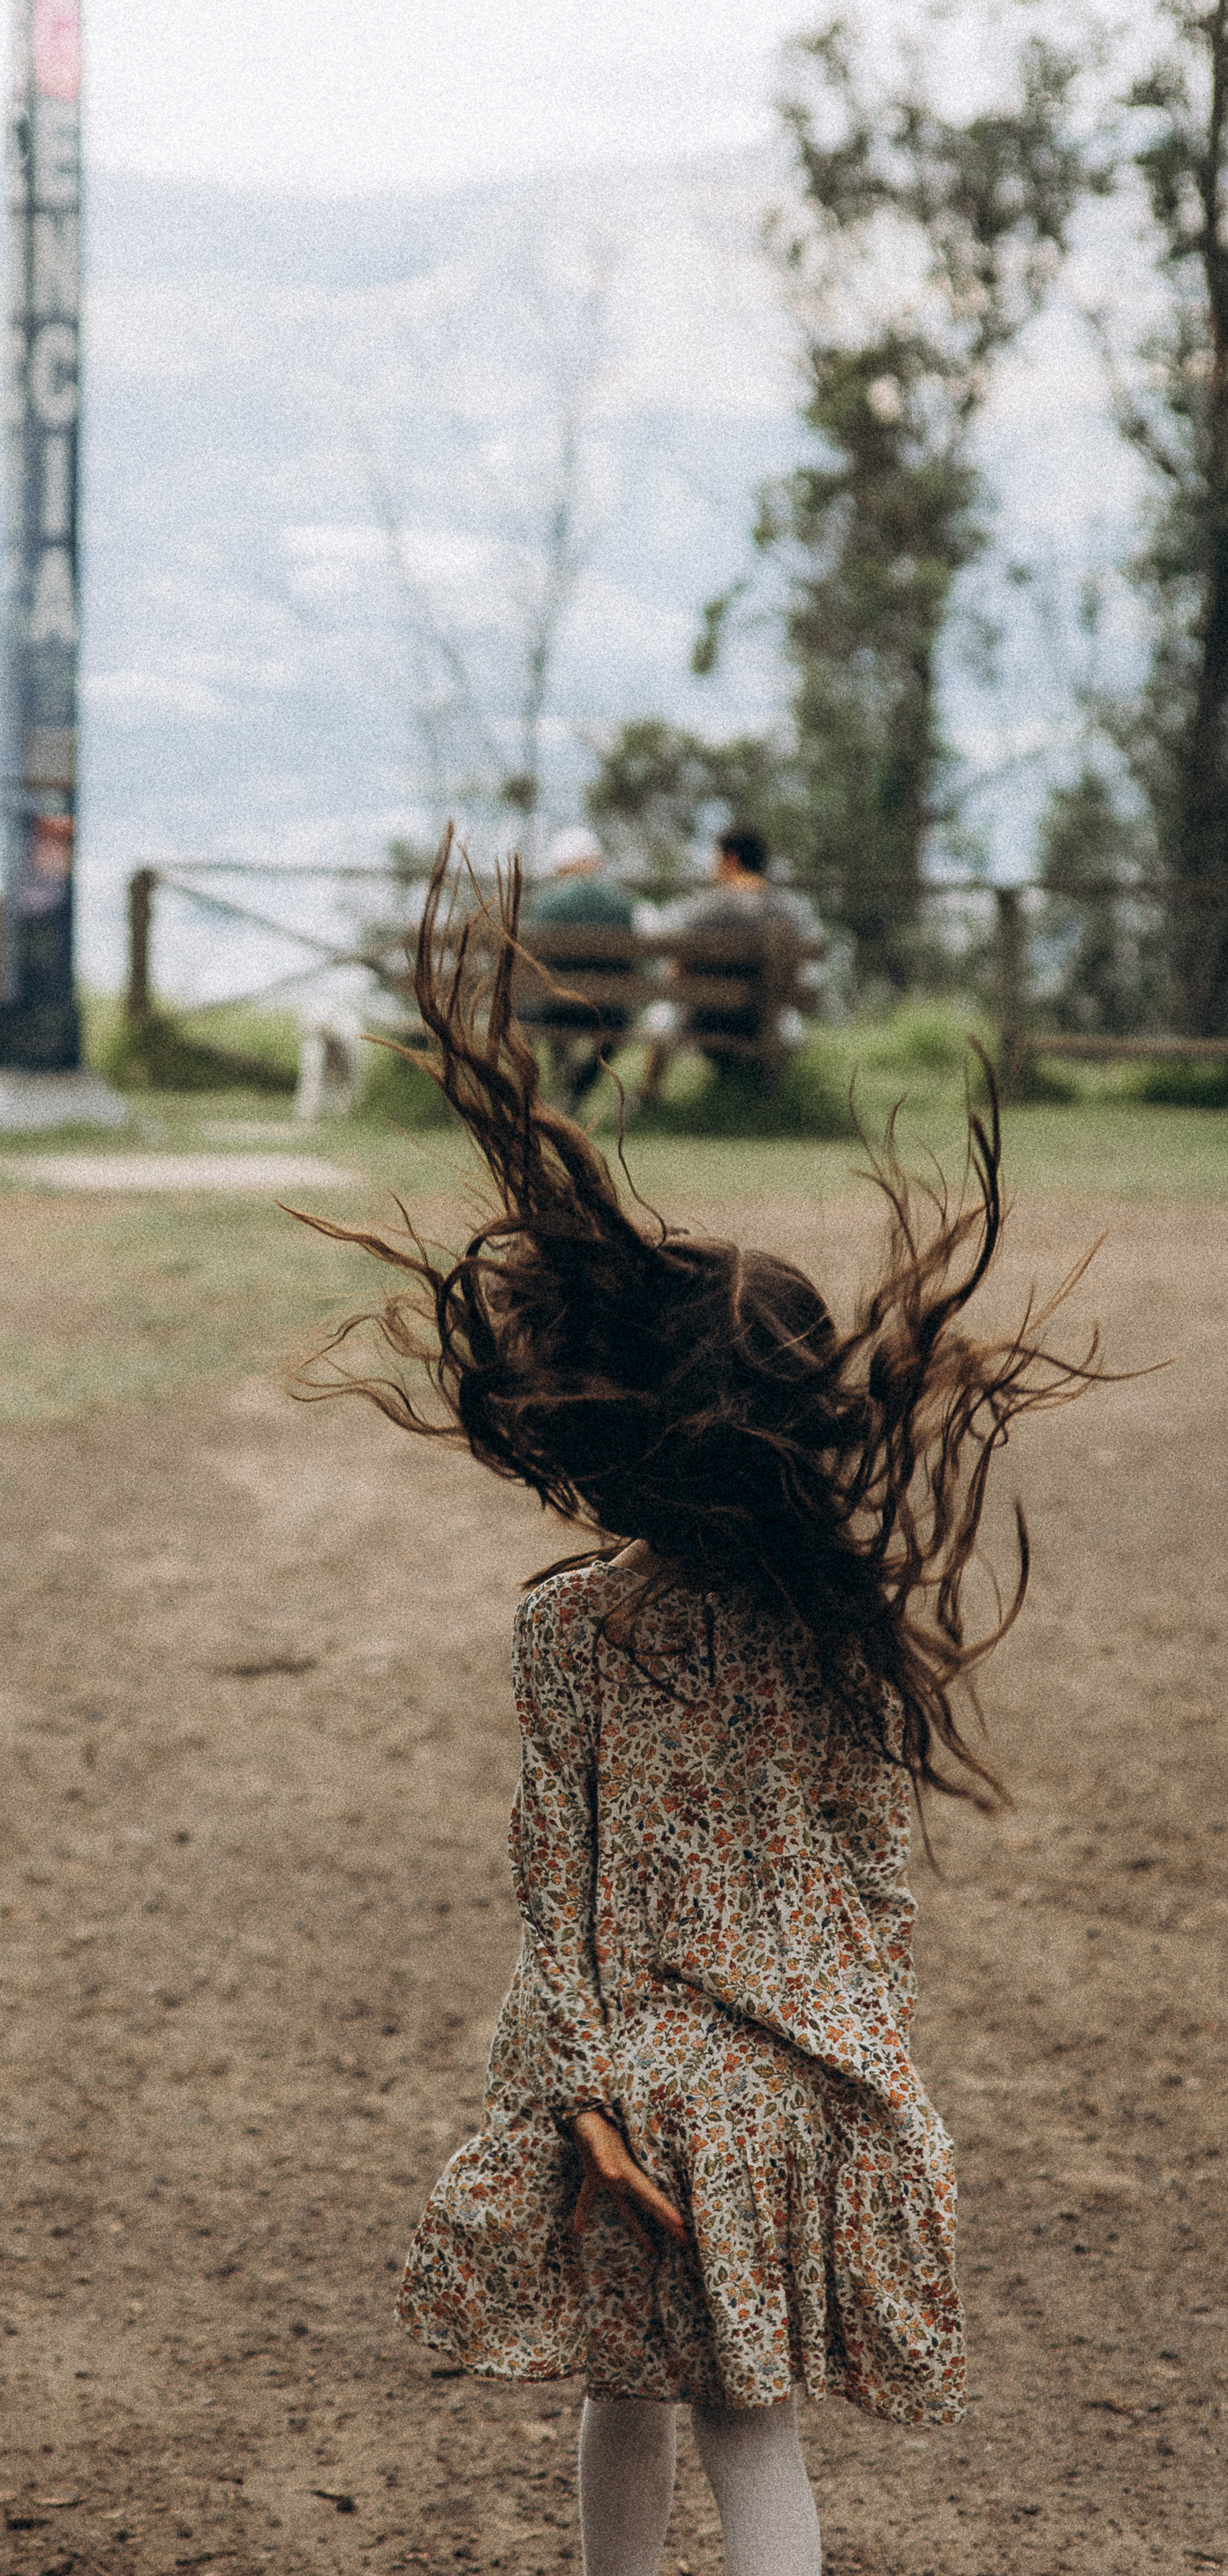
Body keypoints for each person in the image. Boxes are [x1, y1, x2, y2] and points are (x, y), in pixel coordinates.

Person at [294, 846, 1102, 2576]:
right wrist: (853, 2063)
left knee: (624, 2391)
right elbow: (874, 1876)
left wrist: (586, 2099)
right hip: (800, 2075)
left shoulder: (572, 1629)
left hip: (632, 2083)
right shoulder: (841, 1637)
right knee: (756, 2426)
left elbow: (554, 1886)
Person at [646, 827, 818, 1092]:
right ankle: (765, 1095)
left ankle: (647, 1094)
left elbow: (676, 974)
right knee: (787, 1019)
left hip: (701, 1020)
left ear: (731, 859)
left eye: (716, 858)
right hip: (761, 1020)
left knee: (660, 1016)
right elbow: (795, 977)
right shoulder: (787, 911)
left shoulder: (703, 908)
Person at [518, 827, 637, 1114]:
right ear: (595, 860)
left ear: (562, 864)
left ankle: (530, 1096)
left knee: (524, 1011)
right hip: (604, 1013)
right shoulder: (623, 905)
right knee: (622, 1020)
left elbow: (529, 962)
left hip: (553, 1010)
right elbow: (633, 965)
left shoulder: (545, 905)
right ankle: (575, 1090)